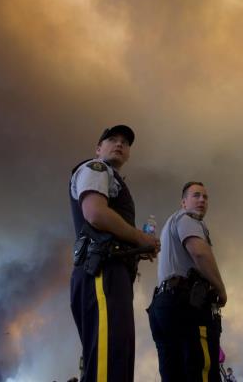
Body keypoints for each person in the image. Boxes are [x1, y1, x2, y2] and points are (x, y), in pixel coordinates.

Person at [69, 124, 160, 382]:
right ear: (98, 148)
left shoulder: (112, 180)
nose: (120, 144)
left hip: (111, 272)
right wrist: (140, 237)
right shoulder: (97, 168)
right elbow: (95, 213)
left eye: (125, 142)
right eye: (112, 139)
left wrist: (137, 248)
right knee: (107, 363)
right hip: (102, 271)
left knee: (115, 357)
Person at [148, 181, 227, 381]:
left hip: (163, 306)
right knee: (201, 371)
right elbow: (200, 253)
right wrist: (221, 289)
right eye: (196, 195)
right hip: (185, 305)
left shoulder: (170, 224)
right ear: (183, 202)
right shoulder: (187, 218)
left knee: (174, 374)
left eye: (205, 197)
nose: (202, 200)